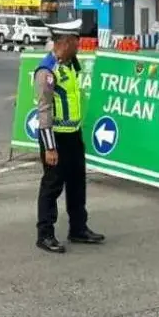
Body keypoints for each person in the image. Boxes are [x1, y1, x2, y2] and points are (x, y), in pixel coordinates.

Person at [33, 19, 105, 253]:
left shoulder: (69, 65)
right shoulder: (47, 70)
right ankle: (45, 234)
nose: (80, 45)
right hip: (55, 138)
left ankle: (78, 228)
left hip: (73, 134)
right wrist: (50, 148)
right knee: (52, 186)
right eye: (76, 41)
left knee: (77, 183)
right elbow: (43, 110)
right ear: (65, 42)